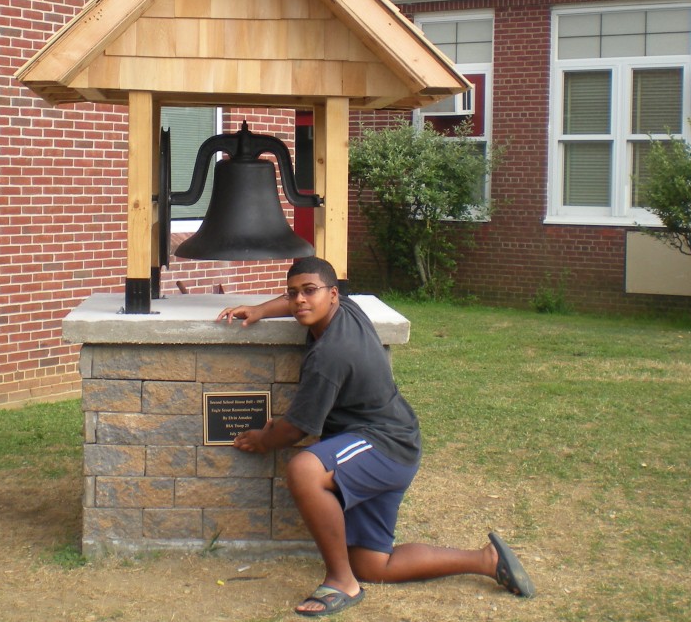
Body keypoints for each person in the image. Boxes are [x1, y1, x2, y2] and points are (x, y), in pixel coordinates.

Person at [217, 257, 534, 617]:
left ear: (332, 295)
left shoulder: (330, 356)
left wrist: (262, 439)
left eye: (309, 292)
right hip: (392, 443)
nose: (300, 301)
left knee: (305, 470)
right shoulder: (346, 309)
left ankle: (341, 583)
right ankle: (486, 560)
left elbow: (296, 429)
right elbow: (301, 296)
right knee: (372, 565)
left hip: (381, 444)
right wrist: (261, 310)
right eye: (293, 295)